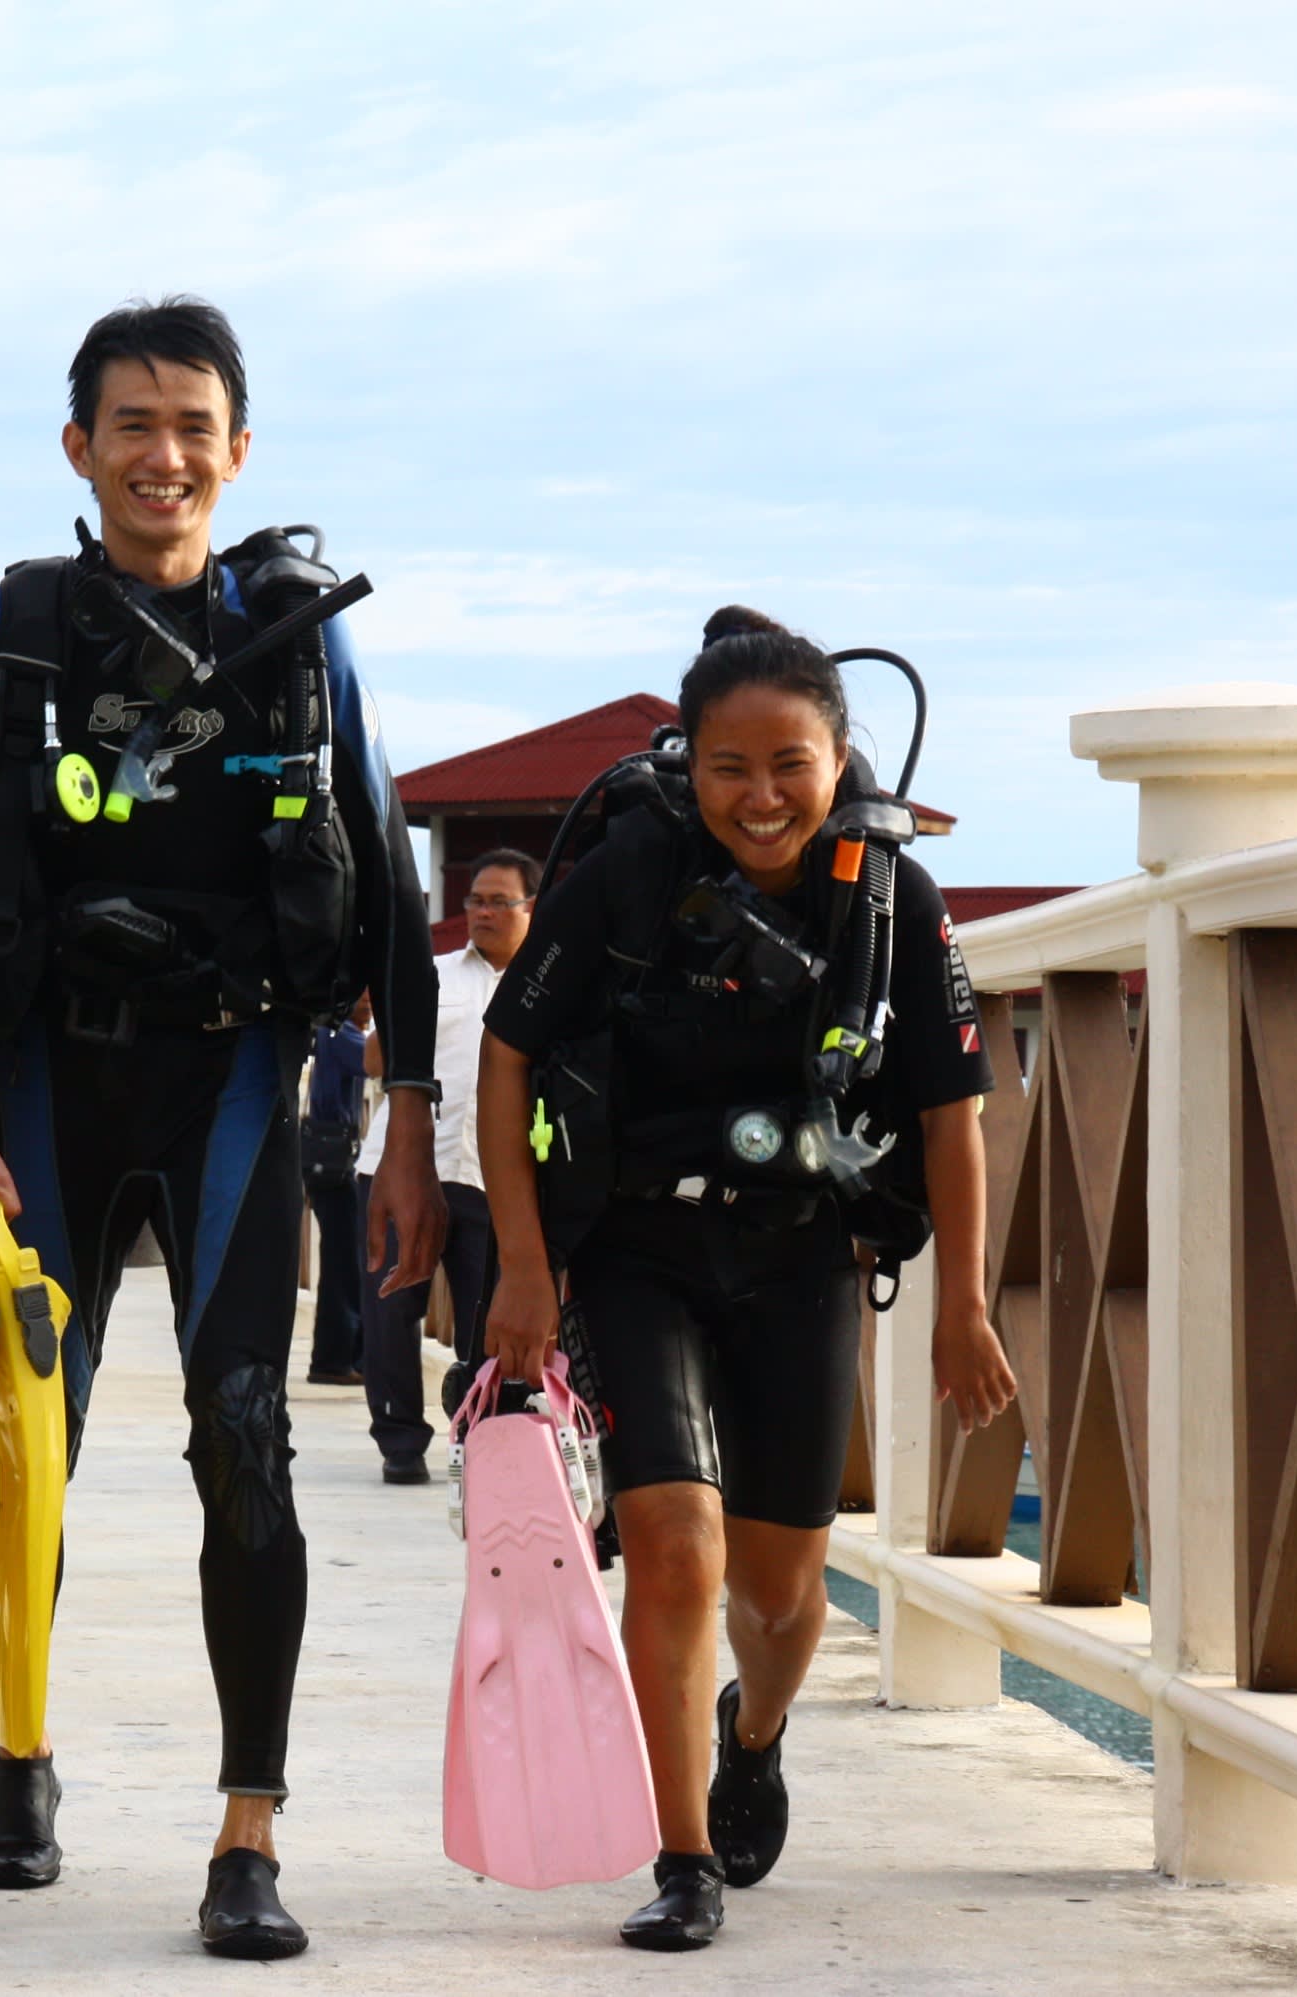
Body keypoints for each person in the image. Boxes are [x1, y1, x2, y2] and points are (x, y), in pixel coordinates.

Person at [0, 296, 445, 1959]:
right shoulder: (3, 635)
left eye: (195, 425)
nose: (164, 454)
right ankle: (22, 1756)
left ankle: (248, 1829)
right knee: (23, 1447)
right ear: (79, 446)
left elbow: (392, 895)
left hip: (233, 1082)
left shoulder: (304, 637)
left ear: (239, 451)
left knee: (246, 1435)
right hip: (55, 1089)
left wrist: (411, 1126)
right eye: (132, 423)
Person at [475, 608, 1017, 1952]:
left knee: (778, 1596)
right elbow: (507, 1052)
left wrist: (962, 1303)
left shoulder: (893, 900)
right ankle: (684, 1855)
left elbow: (952, 1112)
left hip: (799, 1253)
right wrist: (526, 1265)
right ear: (692, 761)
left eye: (790, 765)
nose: (760, 796)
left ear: (838, 757)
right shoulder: (627, 873)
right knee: (674, 1550)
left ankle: (755, 1730)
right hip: (637, 1247)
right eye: (730, 766)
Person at [361, 849, 534, 1480]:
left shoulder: (548, 990)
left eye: (499, 902)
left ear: (531, 909)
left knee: (487, 1321)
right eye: (475, 901)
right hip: (405, 1173)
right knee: (389, 1314)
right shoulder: (431, 977)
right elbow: (373, 1061)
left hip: (495, 1181)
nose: (483, 913)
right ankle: (401, 1445)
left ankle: (482, 1441)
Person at [299, 997, 373, 1384]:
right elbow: (377, 1061)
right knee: (344, 1264)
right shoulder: (342, 1033)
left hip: (328, 1161)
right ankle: (334, 1359)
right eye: (363, 994)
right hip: (336, 1163)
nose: (369, 1002)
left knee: (341, 1260)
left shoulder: (334, 1031)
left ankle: (342, 1356)